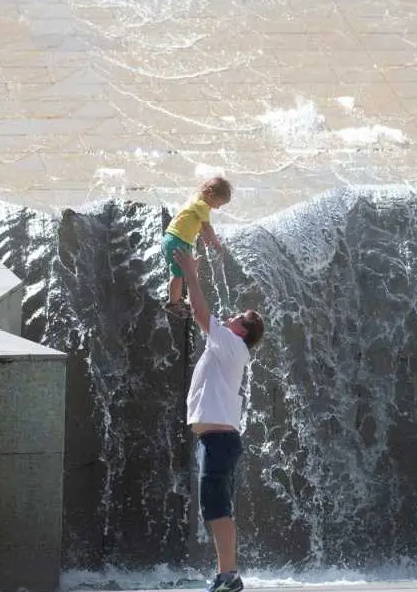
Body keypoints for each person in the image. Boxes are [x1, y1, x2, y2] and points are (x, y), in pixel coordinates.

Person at [173, 249, 265, 592]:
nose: (229, 317)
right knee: (215, 509)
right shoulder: (223, 345)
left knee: (217, 510)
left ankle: (229, 576)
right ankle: (228, 574)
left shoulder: (232, 345)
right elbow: (197, 311)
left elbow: (201, 313)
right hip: (214, 441)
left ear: (242, 331)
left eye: (237, 318)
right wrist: (186, 278)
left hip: (218, 441)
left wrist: (190, 272)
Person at [162, 177, 232, 318]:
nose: (218, 208)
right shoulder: (202, 205)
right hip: (177, 241)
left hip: (176, 240)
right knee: (177, 274)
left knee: (183, 271)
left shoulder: (197, 200)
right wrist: (216, 243)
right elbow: (207, 226)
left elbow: (198, 225)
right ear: (211, 194)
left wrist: (205, 238)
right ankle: (173, 304)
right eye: (218, 204)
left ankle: (179, 300)